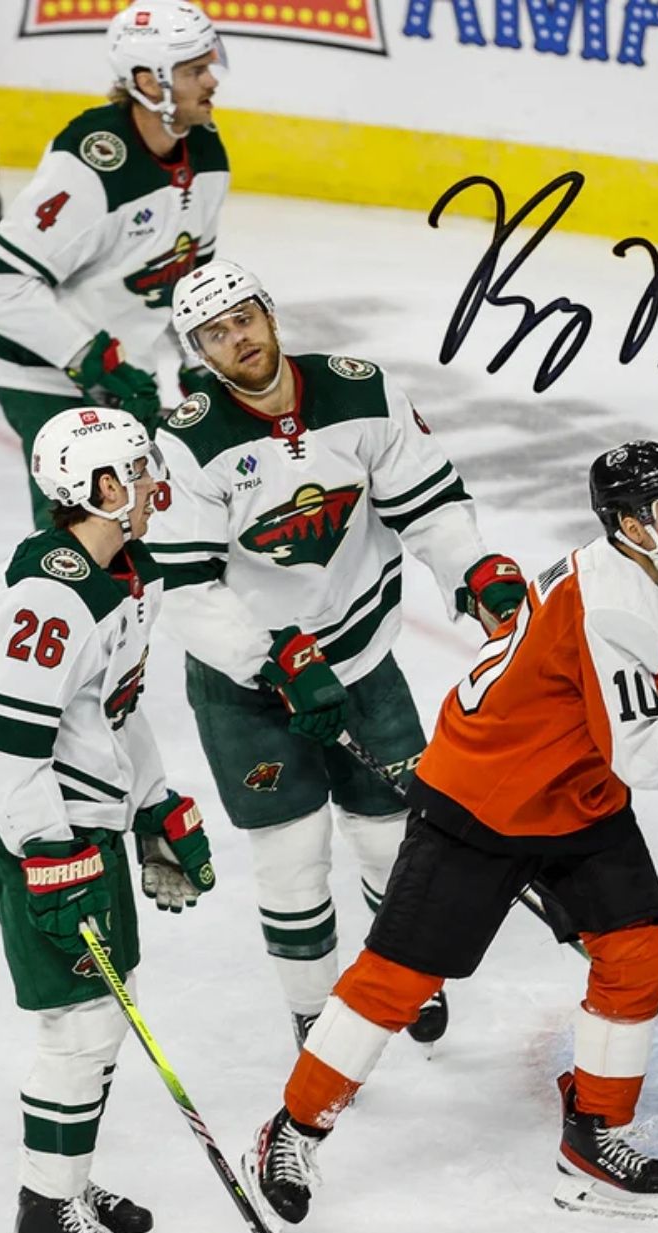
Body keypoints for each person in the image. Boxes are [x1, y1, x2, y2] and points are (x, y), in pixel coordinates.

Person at [238, 440, 658, 1227]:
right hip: (486, 799)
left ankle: (593, 1139)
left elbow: (634, 694)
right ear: (629, 524)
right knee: (396, 982)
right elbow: (648, 754)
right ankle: (293, 1129)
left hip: (574, 794)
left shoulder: (651, 578)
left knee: (640, 959)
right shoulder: (617, 600)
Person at [147, 258, 527, 1051]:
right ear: (197, 352)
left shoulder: (361, 391)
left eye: (245, 318)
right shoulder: (188, 444)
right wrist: (273, 660)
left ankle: (397, 971)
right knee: (292, 856)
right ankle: (317, 1011)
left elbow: (428, 502)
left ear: (271, 314)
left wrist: (475, 569)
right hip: (244, 689)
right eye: (215, 333)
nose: (237, 340)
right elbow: (184, 589)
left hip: (358, 660)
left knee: (394, 835)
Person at [0, 406, 218, 1233]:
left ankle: (64, 1183)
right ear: (105, 489)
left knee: (104, 1017)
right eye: (144, 469)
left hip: (82, 819)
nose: (159, 479)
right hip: (25, 825)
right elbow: (5, 749)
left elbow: (109, 711)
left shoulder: (129, 571)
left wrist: (152, 803)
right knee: (79, 1023)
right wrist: (48, 855)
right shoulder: (52, 591)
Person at [0, 0, 228, 527]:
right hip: (38, 369)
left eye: (209, 64)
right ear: (148, 81)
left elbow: (188, 278)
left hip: (119, 367)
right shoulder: (92, 162)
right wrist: (97, 361)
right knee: (84, 533)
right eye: (193, 71)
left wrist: (196, 366)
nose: (212, 80)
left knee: (143, 526)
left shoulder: (205, 150)